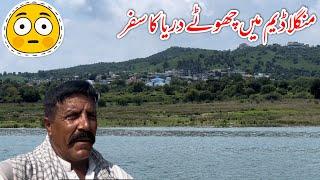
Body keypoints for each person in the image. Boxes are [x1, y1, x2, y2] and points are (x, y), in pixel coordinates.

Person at [0, 80, 133, 179]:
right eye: (73, 116)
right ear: (49, 125)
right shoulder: (17, 172)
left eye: (91, 116)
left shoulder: (117, 175)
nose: (85, 125)